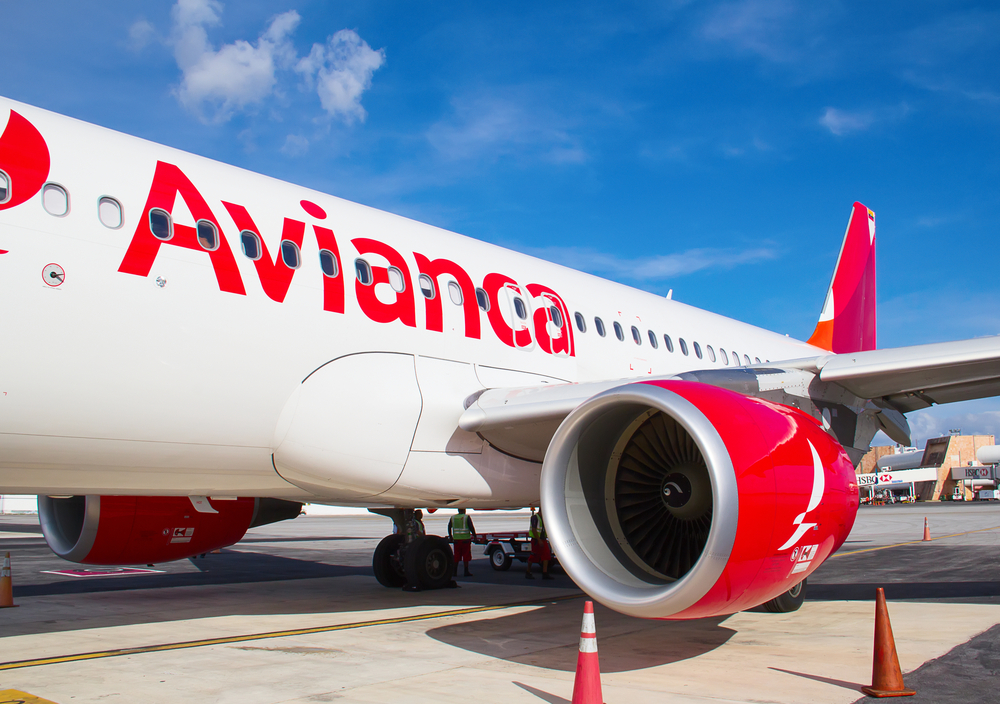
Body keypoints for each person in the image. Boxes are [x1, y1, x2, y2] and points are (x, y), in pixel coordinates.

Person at [526, 507, 553, 580]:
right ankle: (528, 572)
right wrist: (539, 540)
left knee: (546, 556)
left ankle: (545, 573)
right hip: (536, 540)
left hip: (543, 539)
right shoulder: (535, 518)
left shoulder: (543, 518)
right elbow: (534, 530)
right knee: (533, 556)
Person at [448, 508, 476, 577]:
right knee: (466, 556)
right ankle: (466, 571)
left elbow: (449, 526)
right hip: (465, 539)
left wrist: (450, 536)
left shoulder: (453, 517)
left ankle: (454, 572)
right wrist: (475, 535)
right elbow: (471, 527)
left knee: (456, 556)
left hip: (456, 540)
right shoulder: (466, 517)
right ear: (464, 510)